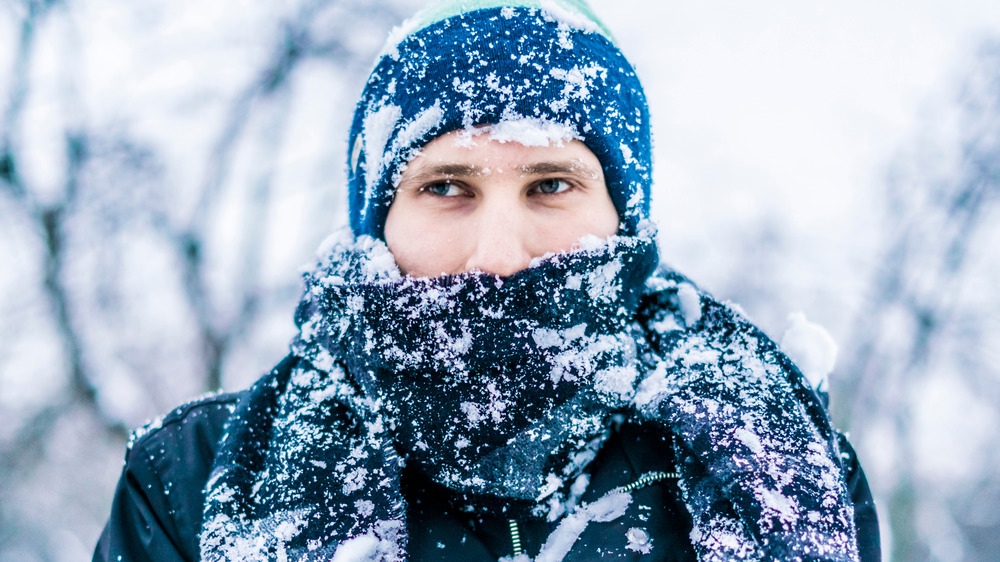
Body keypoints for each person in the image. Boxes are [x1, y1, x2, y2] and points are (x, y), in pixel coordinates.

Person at [94, 1, 880, 560]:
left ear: (622, 219)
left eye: (550, 185)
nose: (497, 256)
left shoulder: (775, 465)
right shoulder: (192, 481)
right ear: (379, 219)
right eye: (444, 187)